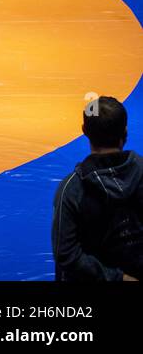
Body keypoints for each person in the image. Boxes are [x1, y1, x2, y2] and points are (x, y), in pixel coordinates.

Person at [53, 96, 142, 280]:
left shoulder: (71, 190)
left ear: (84, 131)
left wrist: (118, 279)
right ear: (125, 131)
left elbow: (66, 255)